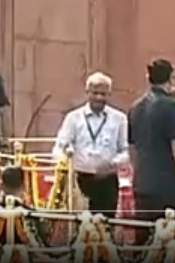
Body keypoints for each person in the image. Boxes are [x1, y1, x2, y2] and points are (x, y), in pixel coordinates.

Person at [128, 58, 175, 227]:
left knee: (142, 236)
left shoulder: (135, 107)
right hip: (166, 185)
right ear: (171, 78)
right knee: (168, 236)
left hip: (141, 182)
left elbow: (132, 148)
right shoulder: (172, 105)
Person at [52, 72, 127, 217]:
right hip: (80, 181)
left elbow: (126, 151)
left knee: (106, 226)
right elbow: (59, 147)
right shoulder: (73, 118)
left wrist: (113, 164)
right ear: (87, 92)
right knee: (79, 227)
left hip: (107, 181)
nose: (99, 98)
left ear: (109, 94)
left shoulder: (119, 119)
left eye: (103, 94)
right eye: (95, 93)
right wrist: (65, 165)